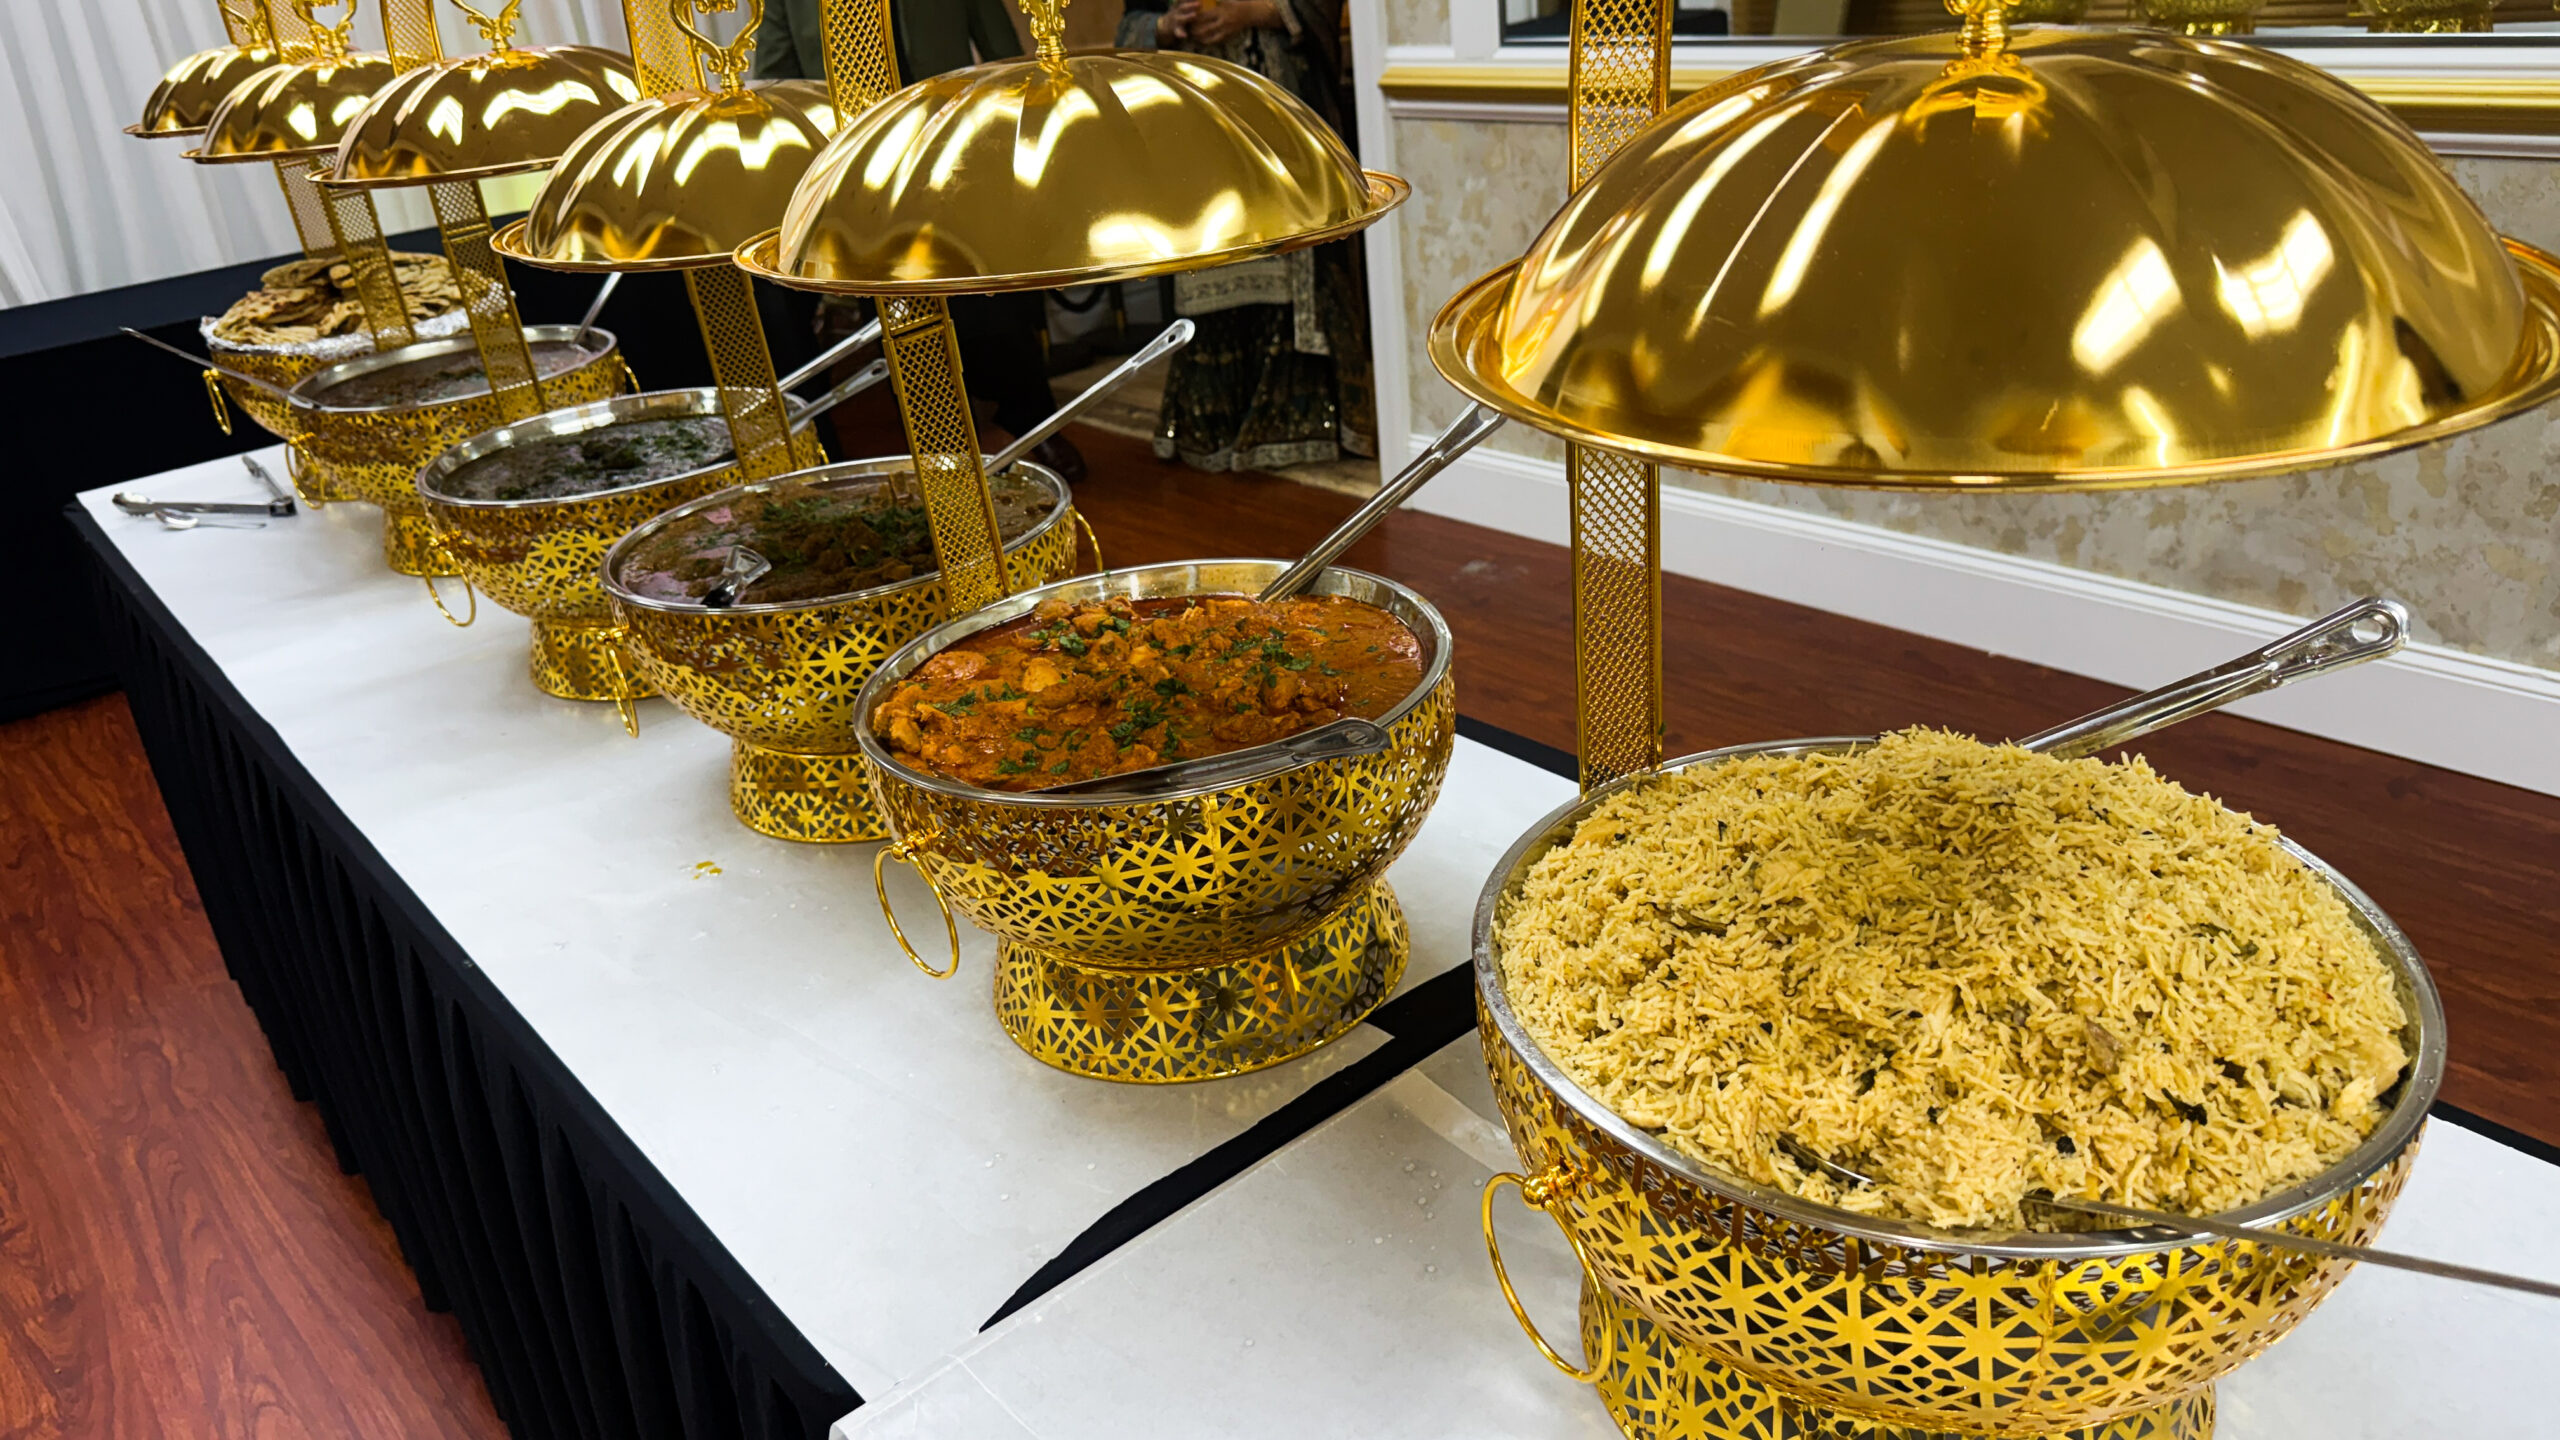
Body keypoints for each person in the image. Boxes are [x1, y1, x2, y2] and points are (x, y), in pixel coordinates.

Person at [751, 0, 1083, 481]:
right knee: (895, 311)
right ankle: (945, 445)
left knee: (991, 294)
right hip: (858, 169)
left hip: (955, 149)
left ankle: (1030, 420)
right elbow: (778, 82)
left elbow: (1005, 54)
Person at [1118, 0, 1377, 473]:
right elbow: (1131, 26)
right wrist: (1166, 26)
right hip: (1195, 126)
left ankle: (1305, 424)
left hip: (1284, 114)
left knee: (1294, 255)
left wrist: (1256, 12)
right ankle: (1215, 428)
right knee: (1211, 258)